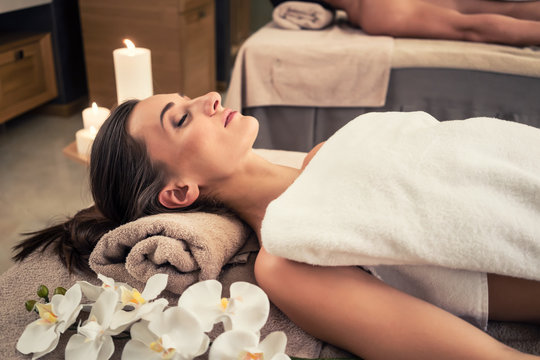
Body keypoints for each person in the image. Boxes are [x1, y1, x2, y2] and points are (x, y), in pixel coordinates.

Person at [13, 92, 540, 359]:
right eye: (182, 118)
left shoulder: (326, 151)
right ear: (179, 193)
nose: (209, 99)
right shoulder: (288, 262)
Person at [272, 0, 540, 46]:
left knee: (467, 26)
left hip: (375, 9)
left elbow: (319, 16)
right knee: (498, 10)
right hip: (379, 8)